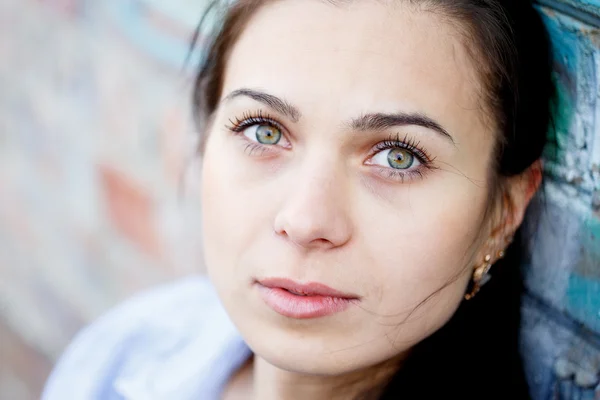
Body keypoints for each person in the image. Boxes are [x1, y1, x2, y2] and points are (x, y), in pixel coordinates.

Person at [42, 0, 555, 399]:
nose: (306, 220)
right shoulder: (126, 355)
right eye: (264, 131)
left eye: (398, 157)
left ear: (503, 213)